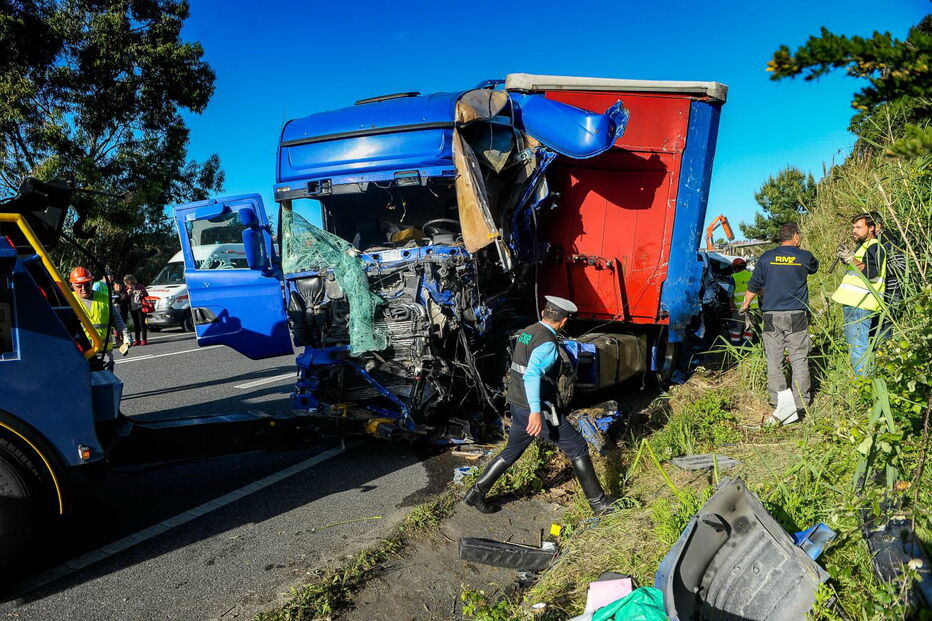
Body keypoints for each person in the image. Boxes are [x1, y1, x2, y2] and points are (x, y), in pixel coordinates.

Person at [464, 296, 616, 515]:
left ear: (544, 313)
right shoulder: (547, 343)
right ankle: (599, 503)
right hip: (538, 409)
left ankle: (475, 493)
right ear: (563, 322)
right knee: (577, 446)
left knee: (513, 449)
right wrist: (536, 411)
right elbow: (533, 375)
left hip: (517, 403)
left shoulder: (528, 331)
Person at [740, 223, 818, 413]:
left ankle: (778, 402)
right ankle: (801, 404)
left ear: (781, 238)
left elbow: (754, 284)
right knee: (799, 358)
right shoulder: (804, 256)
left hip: (771, 315)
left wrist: (745, 305)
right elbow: (814, 267)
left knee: (774, 360)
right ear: (796, 236)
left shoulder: (767, 257)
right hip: (796, 314)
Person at [831, 213, 886, 376]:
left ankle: (865, 386)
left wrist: (851, 259)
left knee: (857, 347)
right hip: (856, 304)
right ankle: (868, 383)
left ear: (872, 228)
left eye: (859, 227)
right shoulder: (863, 247)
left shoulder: (874, 246)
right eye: (853, 227)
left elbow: (872, 272)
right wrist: (851, 259)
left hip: (861, 304)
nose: (854, 231)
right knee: (859, 346)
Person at [69, 266, 132, 370]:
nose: (83, 289)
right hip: (81, 354)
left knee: (106, 383)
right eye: (79, 286)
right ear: (72, 285)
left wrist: (125, 334)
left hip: (104, 354)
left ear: (91, 282)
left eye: (86, 284)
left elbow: (117, 320)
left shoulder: (104, 299)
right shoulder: (68, 300)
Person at [868, 211, 904, 341]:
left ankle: (885, 356)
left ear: (878, 225)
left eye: (870, 225)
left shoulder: (887, 240)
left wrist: (875, 271)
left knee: (885, 327)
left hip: (889, 290)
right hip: (876, 291)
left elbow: (900, 266)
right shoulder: (872, 241)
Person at [729, 258, 757, 346]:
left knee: (736, 331)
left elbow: (729, 293)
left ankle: (735, 350)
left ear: (735, 268)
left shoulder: (734, 277)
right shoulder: (752, 275)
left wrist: (730, 304)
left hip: (739, 309)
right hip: (752, 309)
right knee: (748, 331)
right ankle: (746, 352)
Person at [124, 274, 149, 346]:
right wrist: (128, 294)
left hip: (141, 307)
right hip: (133, 308)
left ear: (131, 281)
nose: (127, 284)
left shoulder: (139, 286)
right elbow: (125, 299)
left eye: (127, 282)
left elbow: (146, 294)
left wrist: (141, 293)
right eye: (126, 283)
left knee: (142, 324)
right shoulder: (126, 289)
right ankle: (137, 340)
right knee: (136, 324)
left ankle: (144, 339)